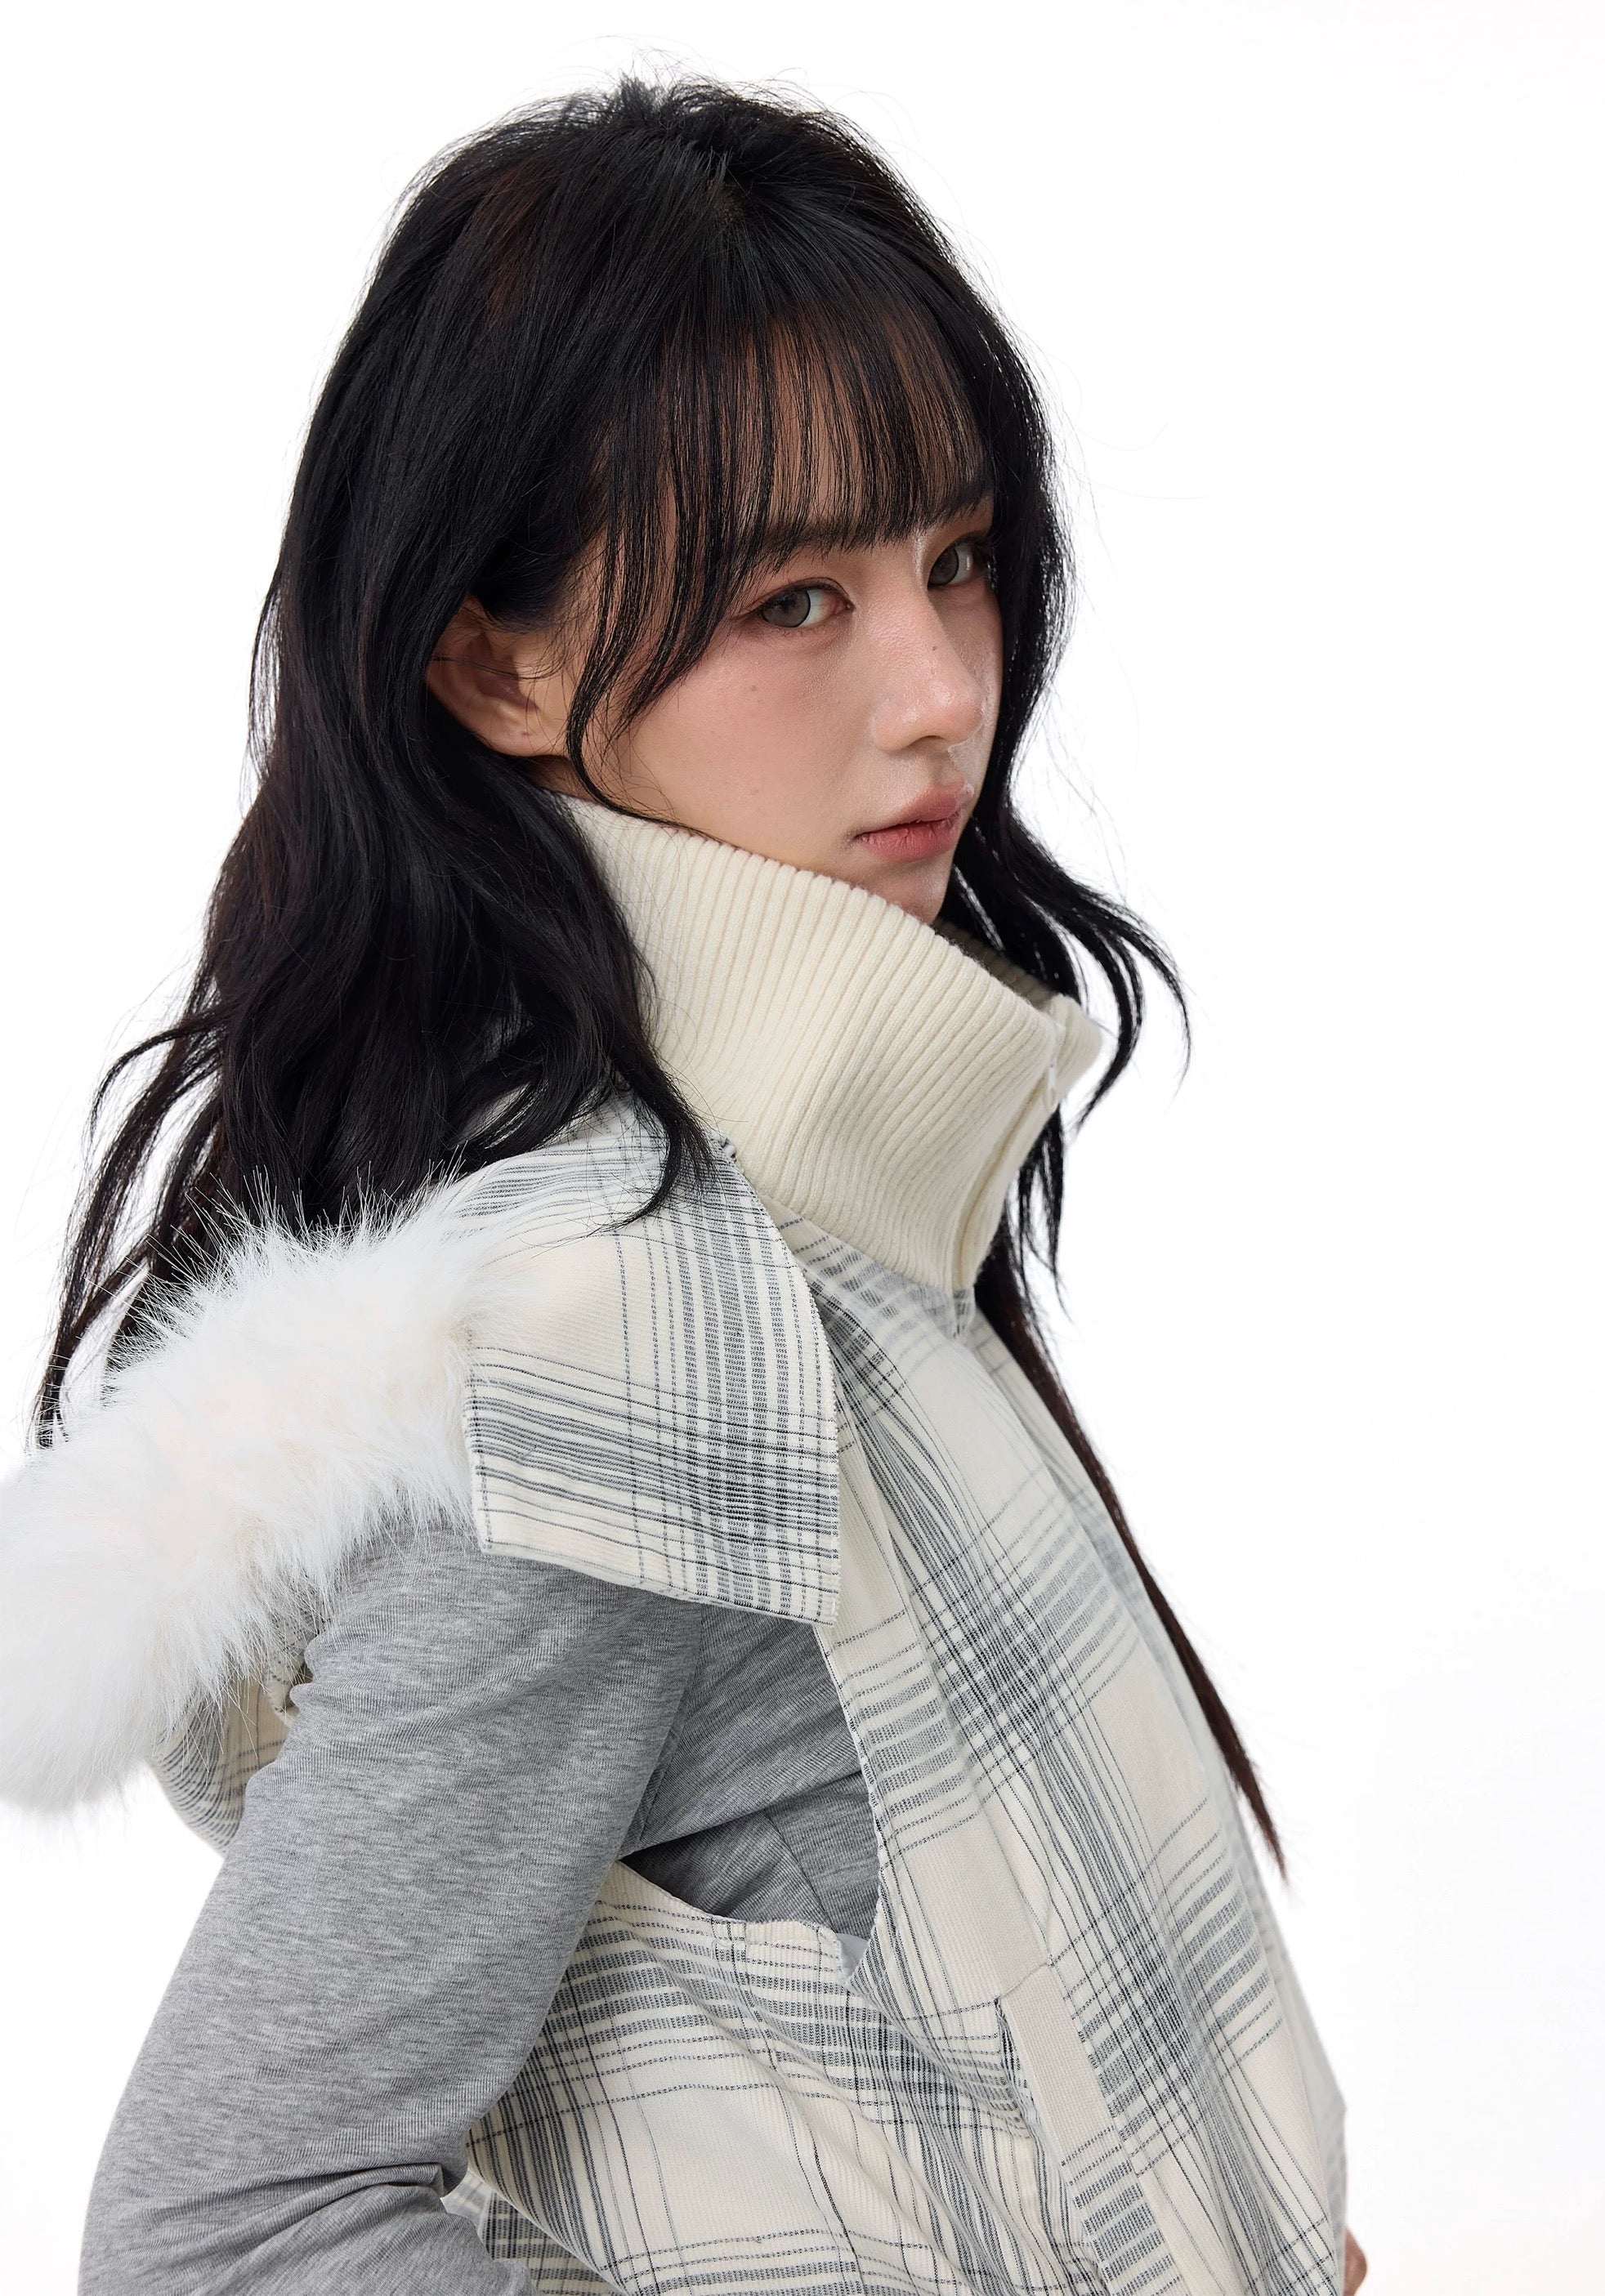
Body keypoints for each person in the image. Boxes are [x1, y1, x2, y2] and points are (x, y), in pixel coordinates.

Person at [0, 76, 1366, 2296]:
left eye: (955, 560)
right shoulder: (616, 1339)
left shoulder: (826, 1186)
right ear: (495, 659)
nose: (941, 693)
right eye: (794, 598)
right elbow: (226, 2237)